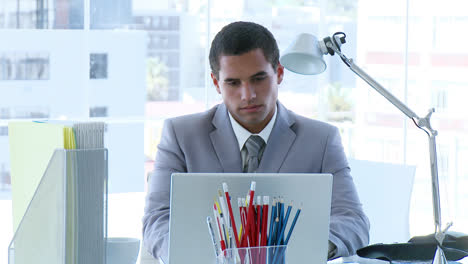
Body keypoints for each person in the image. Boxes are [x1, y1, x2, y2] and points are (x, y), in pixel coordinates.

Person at [142, 21, 370, 262]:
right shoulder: (180, 135)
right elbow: (157, 219)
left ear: (279, 73)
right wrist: (190, 257)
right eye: (233, 82)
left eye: (258, 79)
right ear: (216, 83)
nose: (247, 94)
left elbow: (353, 220)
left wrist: (309, 250)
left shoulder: (322, 139)